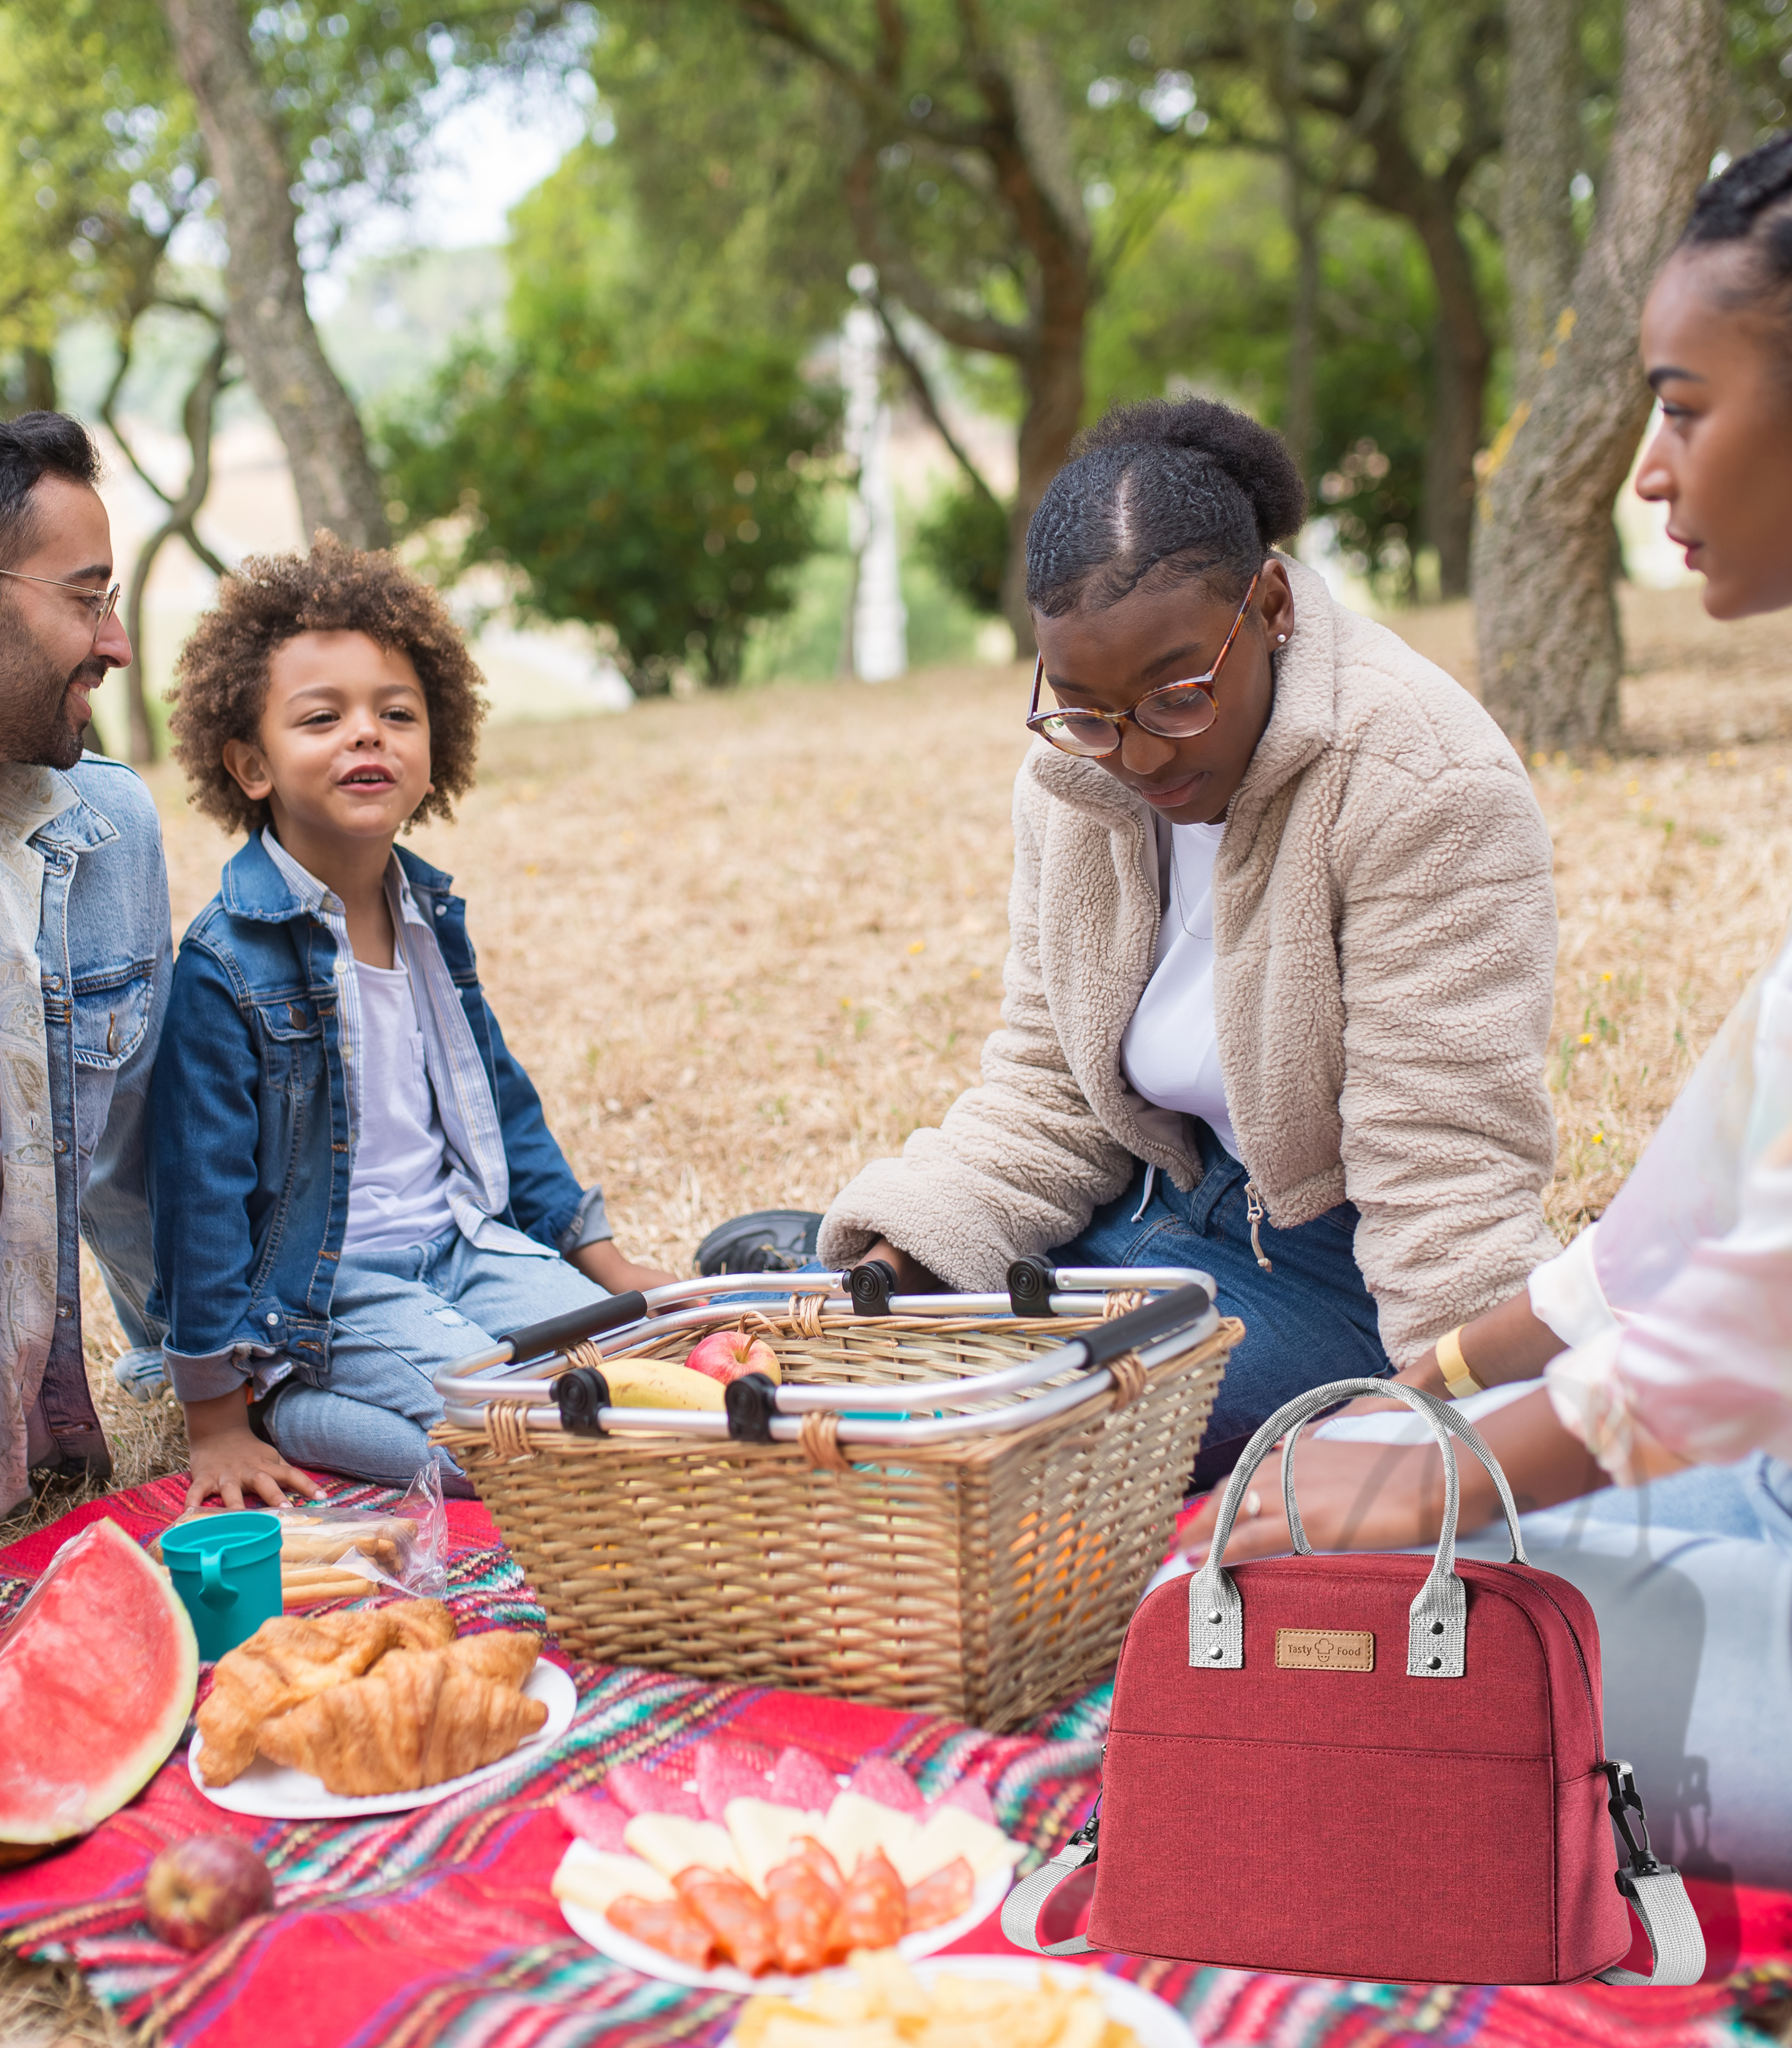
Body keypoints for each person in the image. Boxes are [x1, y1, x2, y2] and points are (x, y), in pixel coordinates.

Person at [1183, 136, 1792, 1894]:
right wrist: (1430, 1394)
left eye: (1685, 407)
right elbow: (1689, 1215)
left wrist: (1427, 1489)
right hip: (1756, 1477)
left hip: (1750, 1451)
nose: (1651, 468)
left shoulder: (1409, 762)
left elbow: (1750, 1327)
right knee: (1262, 1574)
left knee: (1327, 1652)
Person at [815, 398, 1562, 1482]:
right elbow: (1048, 1093)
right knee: (829, 1371)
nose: (1133, 754)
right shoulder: (1073, 777)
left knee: (1019, 1447)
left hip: (1331, 1267)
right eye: (1083, 708)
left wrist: (1438, 1447)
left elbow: (1441, 1176)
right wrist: (896, 1263)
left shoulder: (1424, 784)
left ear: (1267, 604)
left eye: (1176, 695)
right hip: (1145, 1200)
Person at [148, 537, 677, 1509]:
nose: (368, 736)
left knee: (645, 1373)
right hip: (331, 1285)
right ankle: (289, 1406)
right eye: (323, 718)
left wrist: (599, 1263)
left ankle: (403, 1401)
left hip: (464, 1243)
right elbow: (199, 1194)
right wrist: (213, 1418)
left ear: (436, 751)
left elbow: (505, 1105)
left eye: (397, 714)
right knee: (526, 1435)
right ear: (250, 764)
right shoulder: (227, 963)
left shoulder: (429, 916)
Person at [0, 411, 172, 1518]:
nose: (114, 645)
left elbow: (136, 1171)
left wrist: (204, 1367)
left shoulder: (106, 831)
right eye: (84, 597)